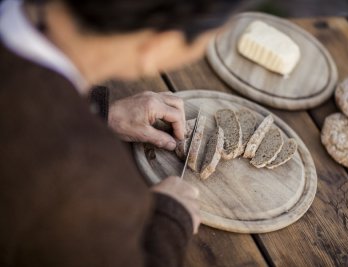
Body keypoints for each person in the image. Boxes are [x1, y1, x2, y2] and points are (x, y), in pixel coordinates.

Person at [0, 0, 247, 266]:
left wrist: (104, 113)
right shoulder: (87, 185)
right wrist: (169, 219)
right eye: (210, 40)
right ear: (158, 46)